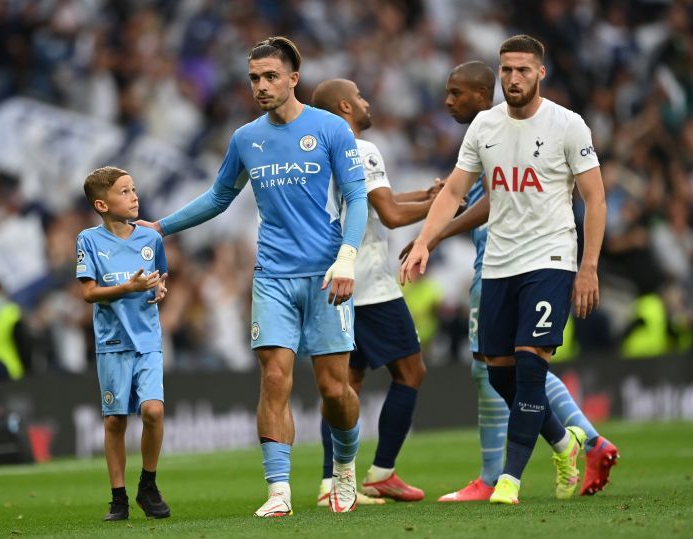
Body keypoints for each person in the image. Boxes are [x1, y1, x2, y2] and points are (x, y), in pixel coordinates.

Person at [136, 37, 369, 516]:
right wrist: (162, 226)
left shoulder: (330, 129)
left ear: (293, 78)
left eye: (270, 77)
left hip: (327, 275)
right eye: (254, 78)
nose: (260, 86)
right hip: (273, 276)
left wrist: (347, 258)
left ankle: (344, 469)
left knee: (334, 390)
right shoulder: (246, 138)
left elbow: (357, 198)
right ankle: (278, 489)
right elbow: (218, 197)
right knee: (275, 377)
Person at [401, 35, 608, 505]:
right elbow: (454, 192)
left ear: (540, 73)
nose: (513, 78)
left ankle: (509, 481)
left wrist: (588, 265)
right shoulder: (484, 128)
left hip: (550, 259)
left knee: (531, 366)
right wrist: (423, 240)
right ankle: (564, 441)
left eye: (523, 70)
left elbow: (594, 198)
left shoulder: (567, 125)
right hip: (498, 263)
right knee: (498, 373)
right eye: (507, 70)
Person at [310, 78, 440, 505]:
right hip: (368, 283)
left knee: (345, 384)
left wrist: (426, 195)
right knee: (411, 372)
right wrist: (447, 205)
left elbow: (374, 200)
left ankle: (332, 482)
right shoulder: (360, 149)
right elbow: (389, 213)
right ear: (346, 106)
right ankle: (382, 472)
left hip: (334, 283)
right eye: (361, 97)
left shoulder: (320, 153)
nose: (367, 103)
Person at [76, 166, 170, 521]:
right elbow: (88, 293)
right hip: (112, 342)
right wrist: (126, 289)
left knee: (153, 411)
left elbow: (162, 278)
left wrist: (160, 288)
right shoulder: (88, 241)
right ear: (102, 204)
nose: (134, 197)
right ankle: (118, 498)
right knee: (115, 421)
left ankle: (148, 484)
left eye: (134, 190)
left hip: (147, 341)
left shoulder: (151, 240)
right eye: (125, 192)